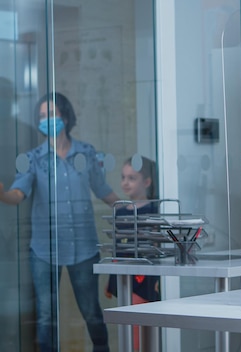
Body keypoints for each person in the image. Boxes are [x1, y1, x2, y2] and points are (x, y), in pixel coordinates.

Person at [0, 92, 119, 352]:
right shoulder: (32, 159)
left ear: (65, 116)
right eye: (42, 116)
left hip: (84, 248)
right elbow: (17, 194)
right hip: (44, 250)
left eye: (51, 114)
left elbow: (102, 189)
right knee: (46, 317)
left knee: (92, 313)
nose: (47, 120)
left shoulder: (86, 152)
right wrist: (2, 194)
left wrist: (132, 208)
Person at [105, 155, 160, 351]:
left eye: (132, 178)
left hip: (143, 278)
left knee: (139, 325)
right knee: (128, 324)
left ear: (146, 182)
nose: (125, 183)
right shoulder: (120, 211)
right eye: (123, 177)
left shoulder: (154, 210)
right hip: (124, 277)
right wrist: (112, 281)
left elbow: (155, 248)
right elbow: (118, 248)